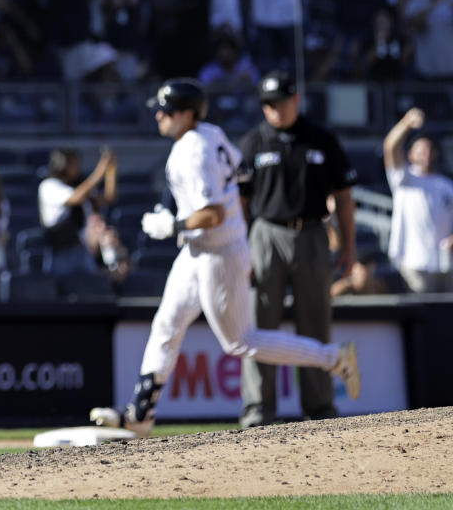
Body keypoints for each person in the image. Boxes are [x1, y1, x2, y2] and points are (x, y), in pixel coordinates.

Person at [89, 79, 360, 438]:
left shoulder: (194, 150)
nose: (159, 115)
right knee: (166, 323)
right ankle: (140, 414)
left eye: (167, 110)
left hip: (219, 250)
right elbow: (242, 172)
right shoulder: (210, 133)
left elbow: (213, 213)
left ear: (186, 113)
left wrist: (173, 223)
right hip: (198, 248)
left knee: (240, 341)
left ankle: (334, 358)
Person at [238, 72, 358, 429]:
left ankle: (320, 406)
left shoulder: (321, 139)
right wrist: (240, 251)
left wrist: (349, 247)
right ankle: (259, 409)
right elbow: (239, 203)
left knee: (315, 322)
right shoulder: (252, 143)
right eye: (268, 105)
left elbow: (345, 197)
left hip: (312, 233)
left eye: (280, 103)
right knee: (259, 325)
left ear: (296, 99)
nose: (274, 111)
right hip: (265, 235)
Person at [382, 107, 453, 293]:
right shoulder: (404, 178)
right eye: (421, 151)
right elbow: (390, 146)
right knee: (422, 314)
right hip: (413, 263)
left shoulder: (446, 185)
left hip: (445, 264)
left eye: (429, 150)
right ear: (410, 155)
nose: (426, 155)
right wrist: (406, 124)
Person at [38, 147, 117, 275]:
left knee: (90, 288)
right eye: (73, 164)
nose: (78, 167)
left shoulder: (79, 185)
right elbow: (75, 198)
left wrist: (110, 172)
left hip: (82, 249)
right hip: (61, 250)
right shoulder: (49, 185)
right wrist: (99, 171)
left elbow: (107, 198)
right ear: (62, 165)